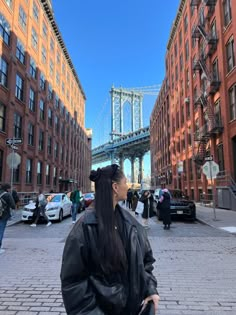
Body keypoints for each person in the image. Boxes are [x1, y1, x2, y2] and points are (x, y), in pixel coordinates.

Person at [61, 164, 159, 315]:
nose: (128, 186)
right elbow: (73, 283)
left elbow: (146, 261)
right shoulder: (84, 229)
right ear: (115, 187)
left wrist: (150, 289)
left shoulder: (130, 223)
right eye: (125, 182)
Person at [0, 183, 16, 254]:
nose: (10, 189)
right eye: (9, 188)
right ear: (7, 189)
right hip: (3, 215)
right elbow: (13, 205)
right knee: (1, 231)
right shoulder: (7, 195)